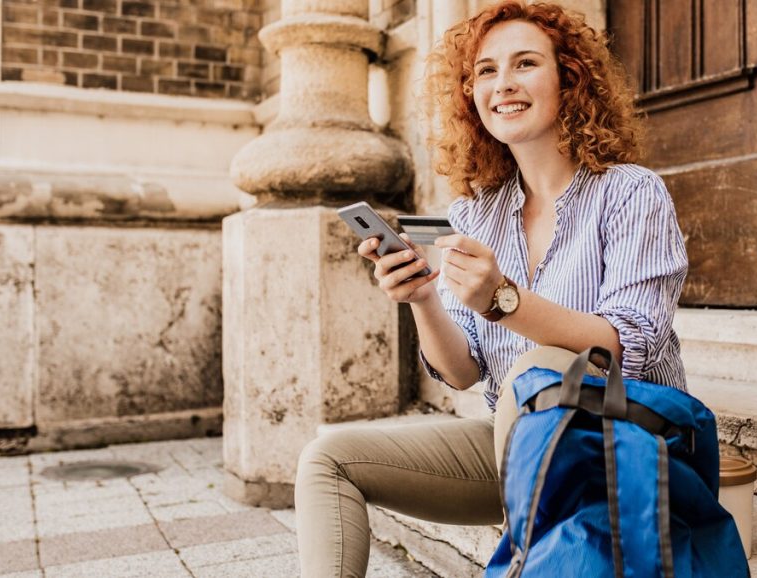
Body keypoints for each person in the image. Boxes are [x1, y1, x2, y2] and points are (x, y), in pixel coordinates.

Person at [295, 1, 688, 576]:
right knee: (327, 459)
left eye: (525, 63)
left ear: (570, 78)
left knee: (543, 369)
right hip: (516, 446)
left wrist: (503, 300)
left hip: (630, 448)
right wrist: (424, 298)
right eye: (484, 71)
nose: (502, 83)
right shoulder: (476, 215)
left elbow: (627, 346)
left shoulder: (631, 193)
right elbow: (461, 371)